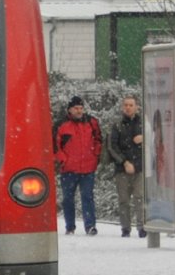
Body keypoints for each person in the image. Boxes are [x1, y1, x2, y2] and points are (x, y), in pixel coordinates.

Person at [53, 95, 103, 235]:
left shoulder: (92, 122)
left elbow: (99, 139)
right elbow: (55, 146)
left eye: (81, 108)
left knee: (87, 196)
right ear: (70, 109)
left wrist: (95, 156)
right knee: (68, 198)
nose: (79, 111)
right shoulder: (61, 125)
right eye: (76, 108)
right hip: (69, 169)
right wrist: (63, 160)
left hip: (88, 167)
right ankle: (70, 226)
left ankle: (90, 225)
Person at [107, 95, 145, 238]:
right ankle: (125, 228)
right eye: (126, 105)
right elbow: (112, 146)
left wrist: (144, 138)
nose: (128, 107)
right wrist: (124, 162)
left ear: (136, 107)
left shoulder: (142, 123)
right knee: (124, 200)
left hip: (140, 167)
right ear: (123, 107)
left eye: (131, 105)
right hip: (121, 168)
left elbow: (155, 138)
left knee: (140, 198)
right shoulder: (117, 125)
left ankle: (142, 227)